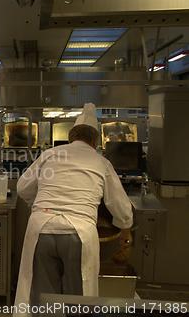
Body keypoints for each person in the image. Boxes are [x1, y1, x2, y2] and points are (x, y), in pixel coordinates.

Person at [13, 103, 133, 316]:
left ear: (71, 137)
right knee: (78, 300)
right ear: (95, 141)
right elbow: (120, 206)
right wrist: (125, 227)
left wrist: (39, 206)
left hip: (41, 228)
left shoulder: (50, 154)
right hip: (79, 232)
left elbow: (22, 187)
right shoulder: (101, 162)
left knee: (42, 297)